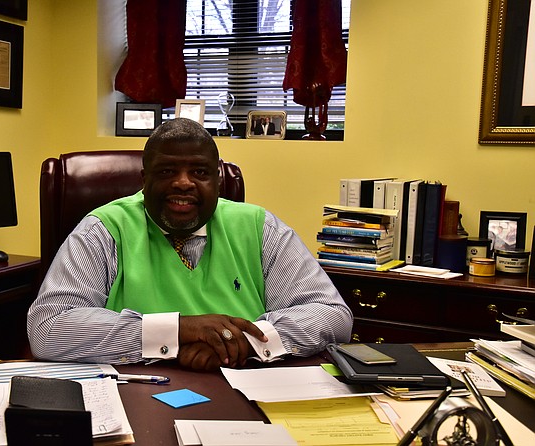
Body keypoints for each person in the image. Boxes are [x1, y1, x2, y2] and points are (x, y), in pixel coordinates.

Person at [28, 118, 352, 371]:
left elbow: (332, 315)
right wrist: (178, 331)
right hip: (137, 395)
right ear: (144, 180)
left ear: (218, 181)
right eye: (167, 171)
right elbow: (48, 327)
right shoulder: (103, 231)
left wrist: (245, 342)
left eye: (199, 171)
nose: (183, 182)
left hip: (246, 389)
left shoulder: (259, 227)